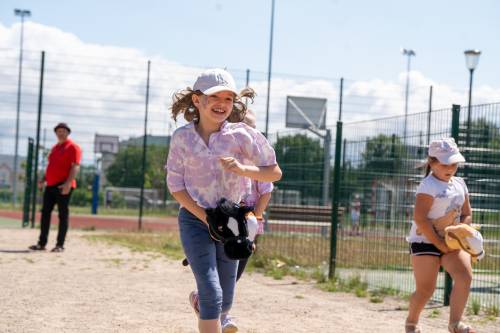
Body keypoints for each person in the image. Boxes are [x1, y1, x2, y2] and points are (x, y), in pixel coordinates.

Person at [165, 68, 282, 333]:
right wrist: (205, 217)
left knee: (225, 301)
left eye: (228, 98)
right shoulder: (182, 138)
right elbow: (175, 186)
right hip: (195, 220)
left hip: (233, 223)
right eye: (215, 96)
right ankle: (204, 302)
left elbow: (274, 171)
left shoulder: (241, 135)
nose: (222, 104)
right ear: (197, 100)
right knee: (211, 293)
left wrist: (244, 170)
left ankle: (203, 304)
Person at [405, 138, 476, 333]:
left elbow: (466, 213)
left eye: (454, 163)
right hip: (425, 240)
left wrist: (460, 231)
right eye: (445, 163)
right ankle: (411, 323)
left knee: (464, 276)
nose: (451, 168)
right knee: (426, 290)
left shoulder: (460, 184)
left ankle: (455, 324)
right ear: (432, 163)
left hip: (451, 242)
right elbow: (420, 219)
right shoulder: (428, 186)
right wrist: (440, 244)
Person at [29, 123, 81, 253]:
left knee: (63, 215)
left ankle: (60, 245)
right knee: (45, 213)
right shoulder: (54, 148)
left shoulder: (73, 147)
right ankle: (41, 244)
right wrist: (43, 179)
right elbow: (51, 166)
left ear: (68, 133)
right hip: (50, 185)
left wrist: (68, 183)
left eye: (63, 131)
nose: (60, 133)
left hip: (63, 185)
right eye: (58, 131)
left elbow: (75, 166)